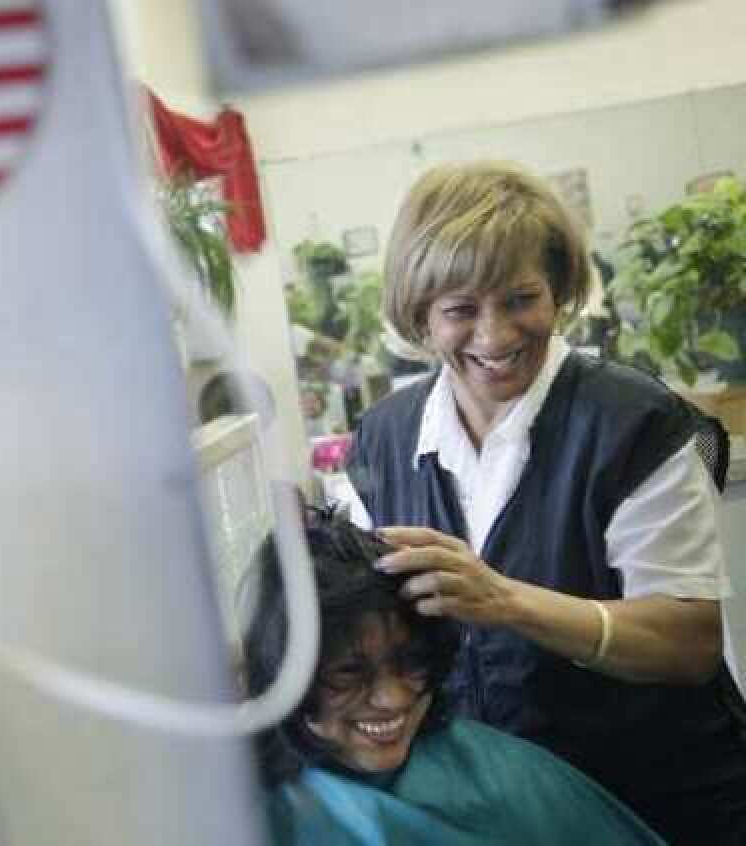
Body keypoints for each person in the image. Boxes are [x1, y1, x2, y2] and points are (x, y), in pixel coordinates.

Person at [340, 160, 746, 842]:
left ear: (558, 290)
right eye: (461, 310)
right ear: (419, 316)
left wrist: (504, 601)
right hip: (503, 814)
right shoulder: (383, 442)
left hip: (659, 805)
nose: (496, 337)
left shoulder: (633, 425)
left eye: (520, 298)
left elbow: (687, 643)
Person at [244, 514, 664, 844]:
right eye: (349, 673)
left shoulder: (509, 787)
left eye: (411, 662)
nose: (392, 699)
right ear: (285, 674)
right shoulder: (247, 808)